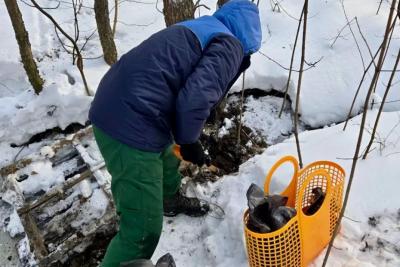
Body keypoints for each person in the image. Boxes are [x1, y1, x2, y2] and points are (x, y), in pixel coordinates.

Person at [89, 0, 261, 266]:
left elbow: (181, 74)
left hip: (122, 98)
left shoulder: (206, 26)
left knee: (169, 153)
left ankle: (169, 199)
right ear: (249, 40)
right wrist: (190, 140)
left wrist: (186, 133)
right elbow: (193, 100)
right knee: (142, 231)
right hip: (129, 124)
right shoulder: (231, 45)